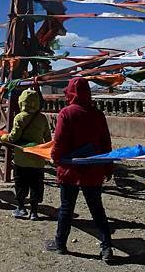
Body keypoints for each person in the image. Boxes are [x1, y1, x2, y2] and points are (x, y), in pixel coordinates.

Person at [45, 77, 114, 263]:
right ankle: (107, 247)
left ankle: (60, 244)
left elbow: (59, 141)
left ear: (70, 92)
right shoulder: (98, 115)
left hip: (70, 170)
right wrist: (108, 167)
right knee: (97, 209)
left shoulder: (66, 113)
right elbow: (105, 143)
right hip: (94, 169)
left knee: (66, 208)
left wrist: (54, 157)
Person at [0, 89, 51, 220]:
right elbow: (48, 139)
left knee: (21, 184)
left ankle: (21, 208)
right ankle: (34, 212)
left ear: (21, 101)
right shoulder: (42, 118)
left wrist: (2, 137)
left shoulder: (20, 117)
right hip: (38, 159)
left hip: (21, 160)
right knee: (36, 185)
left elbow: (13, 138)